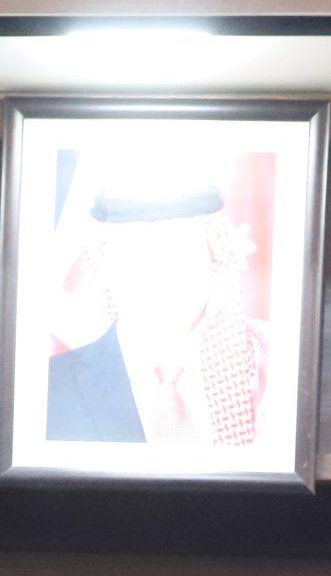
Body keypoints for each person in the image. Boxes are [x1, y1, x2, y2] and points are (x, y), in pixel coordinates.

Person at [46, 174, 271, 447]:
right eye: (139, 247)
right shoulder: (46, 391)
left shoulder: (269, 372)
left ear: (213, 258)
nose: (165, 270)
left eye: (183, 245)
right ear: (103, 266)